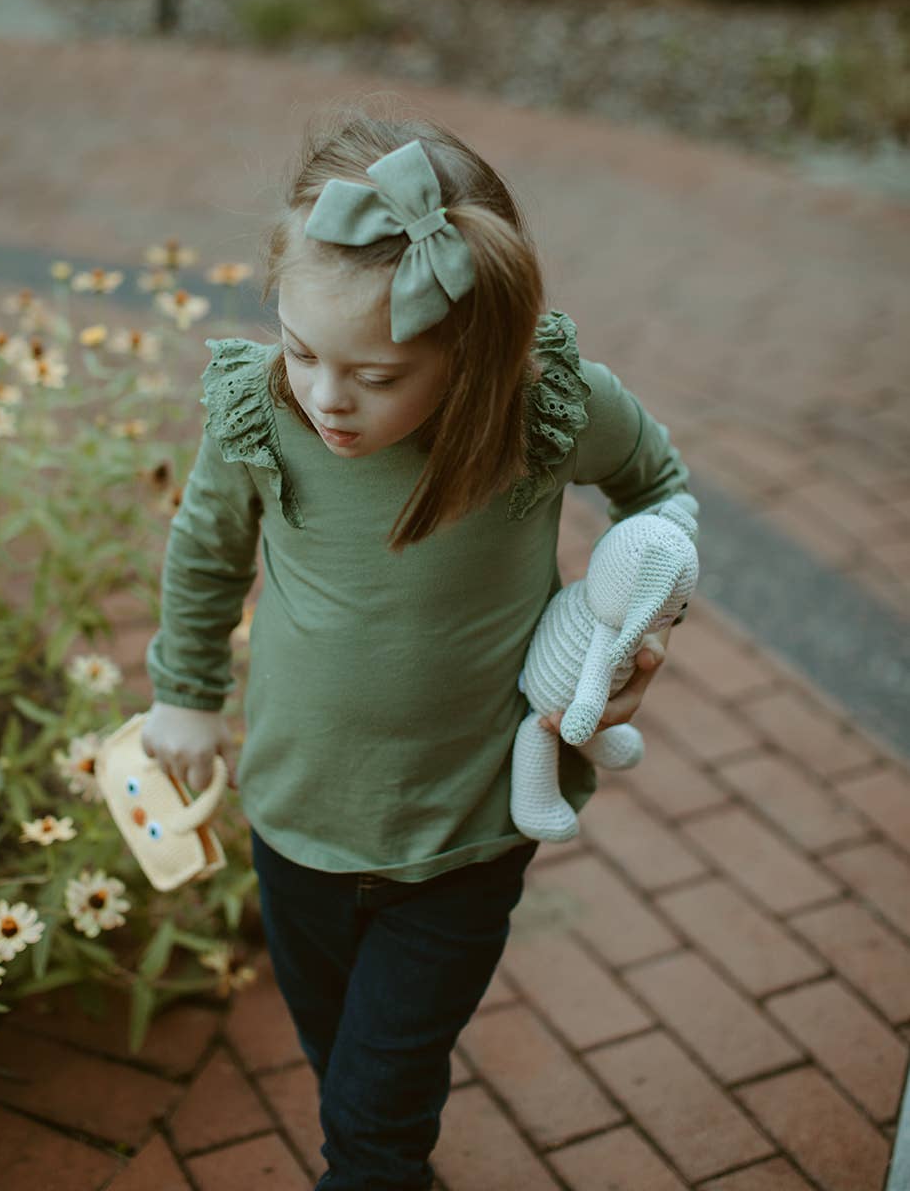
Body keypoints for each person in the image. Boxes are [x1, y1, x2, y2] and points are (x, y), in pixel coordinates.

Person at [142, 101, 696, 1191]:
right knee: (341, 1059)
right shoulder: (262, 413)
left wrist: (636, 625)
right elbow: (205, 555)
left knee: (371, 1117)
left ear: (469, 349)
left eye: (376, 375)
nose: (326, 395)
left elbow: (659, 488)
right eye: (302, 349)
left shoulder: (543, 411)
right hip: (296, 823)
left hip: (465, 835)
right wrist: (186, 695)